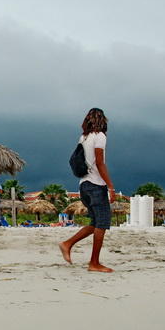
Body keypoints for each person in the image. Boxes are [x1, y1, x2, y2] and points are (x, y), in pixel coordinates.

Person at [58, 108, 116, 272]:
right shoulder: (100, 137)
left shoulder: (83, 137)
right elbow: (100, 163)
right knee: (102, 224)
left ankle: (67, 244)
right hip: (95, 185)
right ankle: (94, 263)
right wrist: (110, 186)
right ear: (102, 121)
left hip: (84, 185)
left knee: (95, 223)